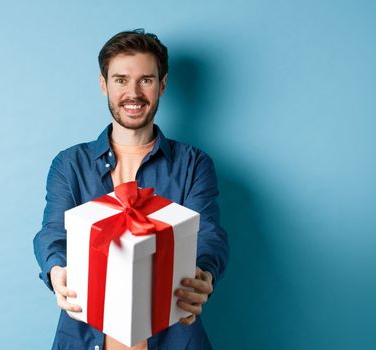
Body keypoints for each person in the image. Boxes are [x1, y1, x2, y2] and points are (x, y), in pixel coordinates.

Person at [32, 29, 229, 350]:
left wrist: (204, 272)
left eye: (146, 80)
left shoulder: (193, 163)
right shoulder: (70, 164)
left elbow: (208, 234)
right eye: (121, 80)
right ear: (103, 84)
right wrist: (56, 269)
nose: (133, 93)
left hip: (176, 337)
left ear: (162, 85)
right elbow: (53, 232)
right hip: (84, 339)